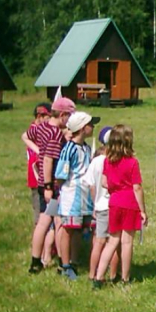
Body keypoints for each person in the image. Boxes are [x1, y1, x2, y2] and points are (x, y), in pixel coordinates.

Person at [93, 125, 147, 289]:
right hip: (129, 202)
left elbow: (103, 182)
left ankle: (98, 277)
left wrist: (113, 188)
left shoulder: (108, 161)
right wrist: (143, 210)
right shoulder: (132, 162)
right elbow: (137, 187)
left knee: (112, 241)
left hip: (114, 202)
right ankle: (125, 277)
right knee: (126, 242)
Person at [27, 96, 76, 274]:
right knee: (55, 222)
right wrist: (49, 187)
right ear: (62, 115)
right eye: (69, 117)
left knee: (43, 222)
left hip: (40, 182)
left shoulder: (41, 127)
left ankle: (36, 260)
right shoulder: (55, 135)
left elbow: (26, 136)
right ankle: (63, 262)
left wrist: (37, 150)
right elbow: (48, 160)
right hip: (51, 186)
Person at [54, 111, 99, 281]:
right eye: (90, 124)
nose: (93, 127)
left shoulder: (86, 148)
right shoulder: (69, 149)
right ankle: (65, 264)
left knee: (79, 231)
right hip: (72, 198)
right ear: (81, 128)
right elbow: (60, 175)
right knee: (68, 230)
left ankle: (74, 260)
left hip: (86, 199)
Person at [84, 126, 120, 283]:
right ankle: (113, 274)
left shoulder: (96, 161)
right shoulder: (116, 161)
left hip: (99, 206)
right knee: (114, 242)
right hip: (113, 205)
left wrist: (94, 203)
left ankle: (92, 273)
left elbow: (91, 185)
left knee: (98, 242)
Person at [21, 103, 51, 253]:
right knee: (40, 216)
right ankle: (39, 249)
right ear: (40, 116)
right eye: (48, 117)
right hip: (37, 179)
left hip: (42, 178)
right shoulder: (35, 131)